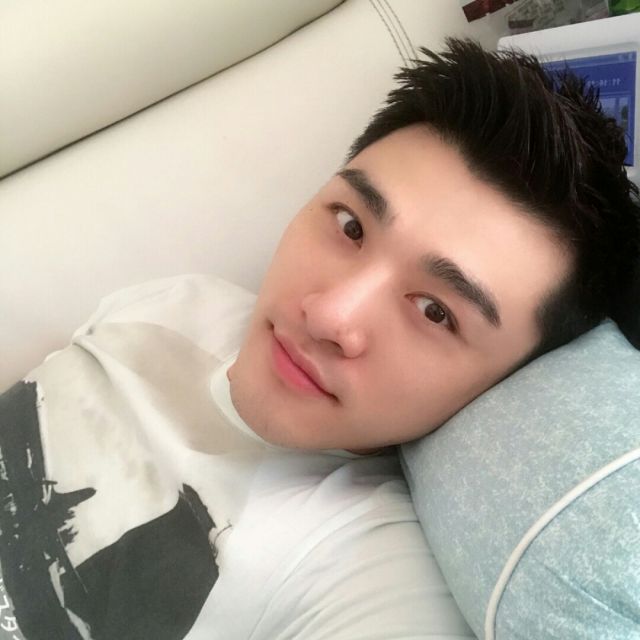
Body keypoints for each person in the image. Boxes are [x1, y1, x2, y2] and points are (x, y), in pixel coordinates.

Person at [0, 38, 638, 639]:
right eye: (350, 225)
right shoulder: (169, 299)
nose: (330, 316)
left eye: (435, 312)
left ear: (500, 388)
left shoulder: (363, 574)